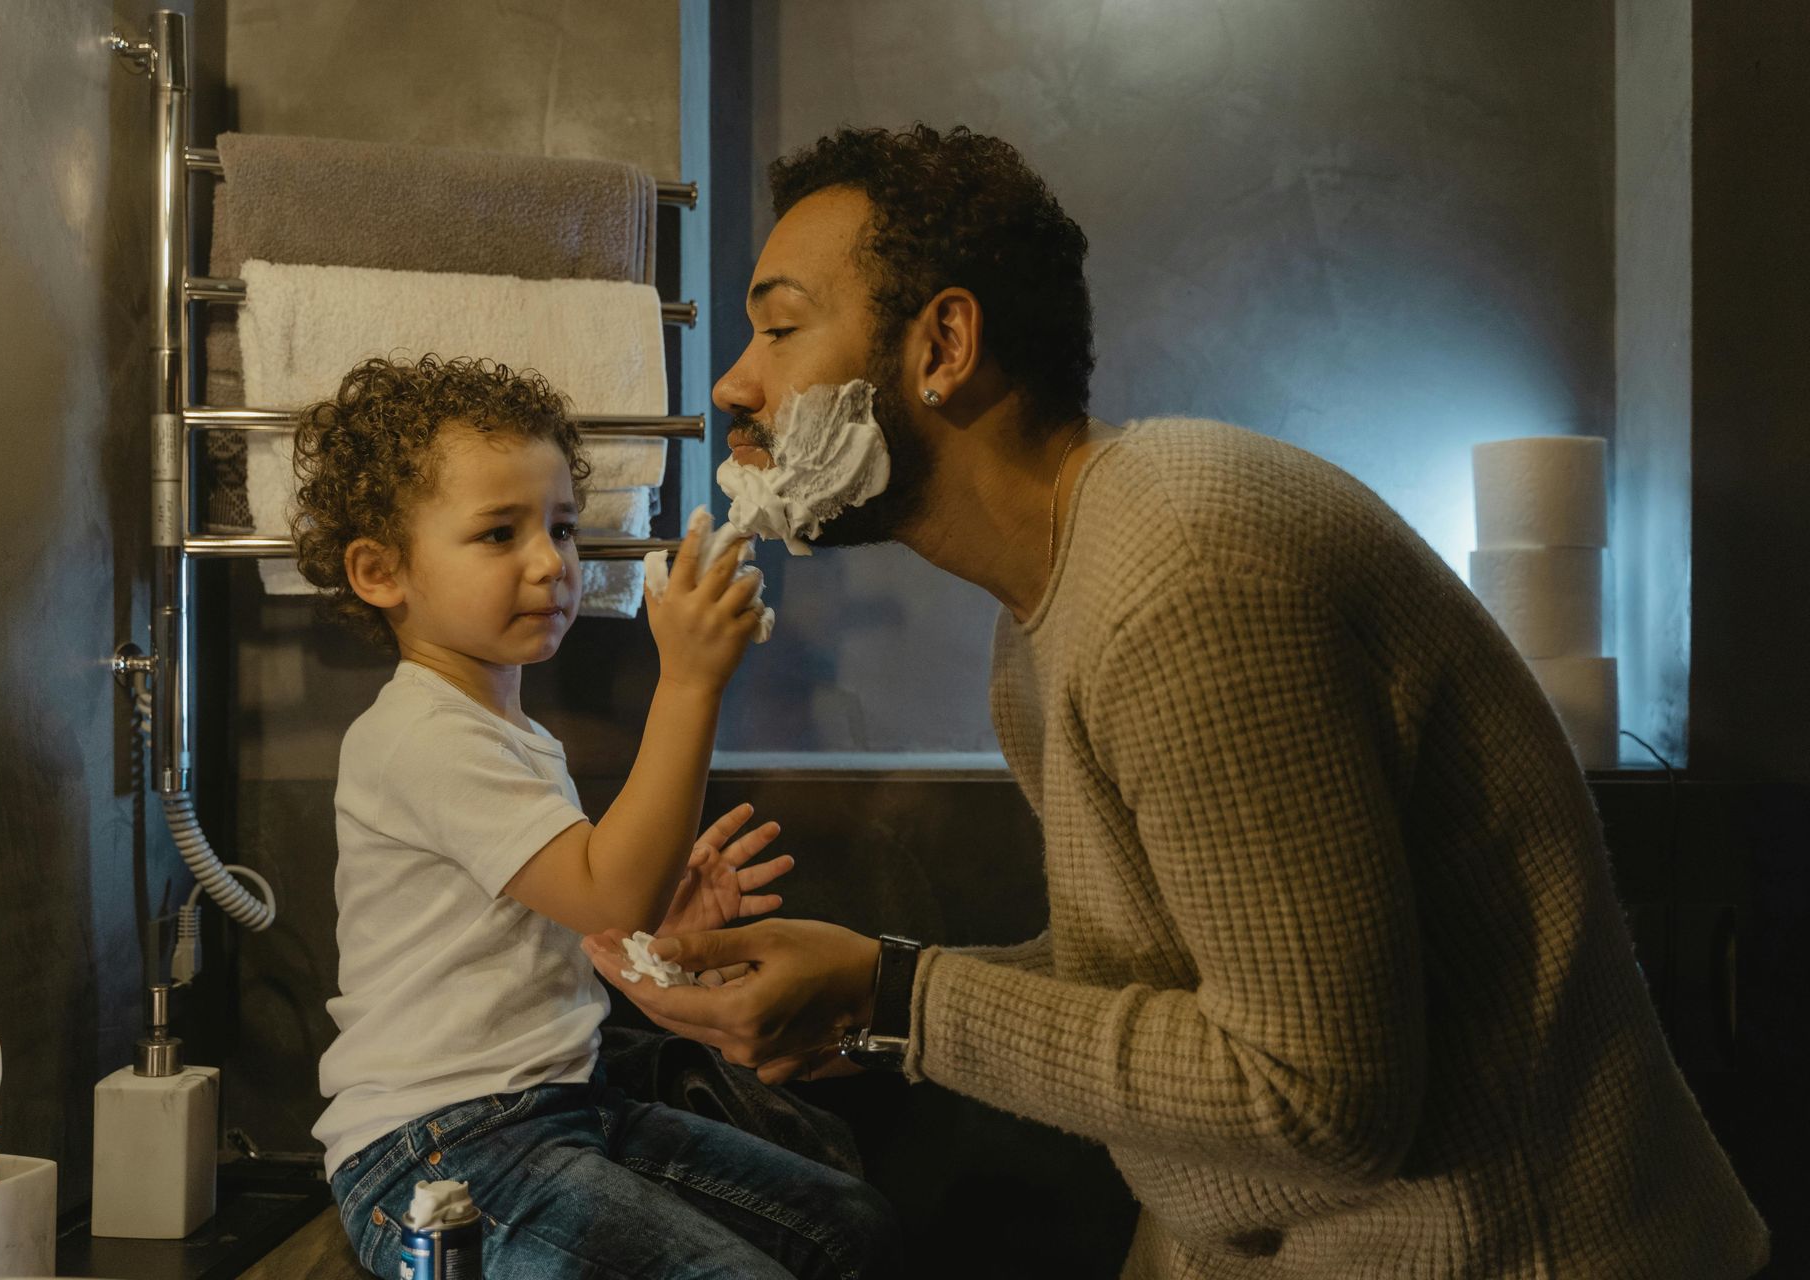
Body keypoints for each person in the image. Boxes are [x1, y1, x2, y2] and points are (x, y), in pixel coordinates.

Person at [584, 125, 1771, 1277]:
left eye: (781, 325)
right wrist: (868, 1004)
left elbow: (1320, 1096)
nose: (736, 380)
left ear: (942, 344)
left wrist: (896, 995)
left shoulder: (1183, 579)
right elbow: (1164, 987)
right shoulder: (1052, 603)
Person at [292, 354, 896, 1280]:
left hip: (559, 1106)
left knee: (847, 1227)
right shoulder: (420, 734)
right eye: (499, 534)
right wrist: (690, 681)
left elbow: (567, 917)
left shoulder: (504, 731)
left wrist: (651, 925)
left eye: (563, 528)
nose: (551, 563)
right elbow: (603, 881)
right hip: (438, 1153)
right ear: (381, 571)